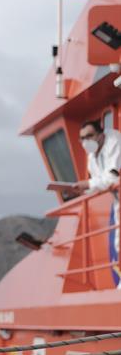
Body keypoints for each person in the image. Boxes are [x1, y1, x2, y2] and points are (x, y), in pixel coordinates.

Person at [72, 119, 121, 285]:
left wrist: (88, 184)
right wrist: (81, 190)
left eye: (89, 136)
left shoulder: (115, 142)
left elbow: (113, 176)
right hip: (118, 199)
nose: (85, 141)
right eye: (82, 138)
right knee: (118, 243)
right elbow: (98, 182)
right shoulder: (92, 156)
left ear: (100, 134)